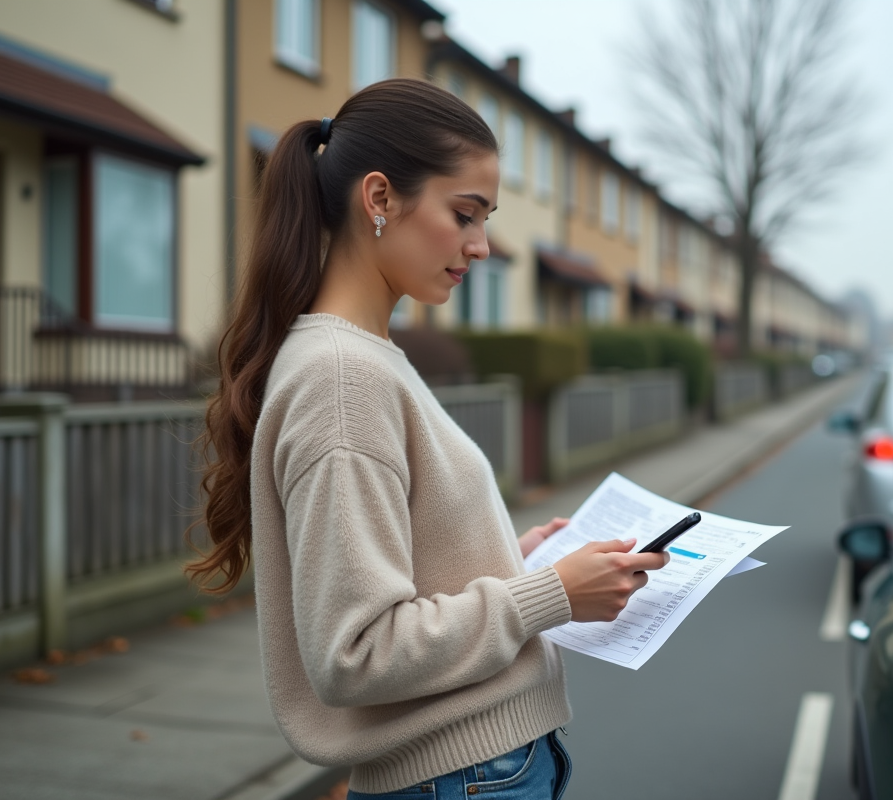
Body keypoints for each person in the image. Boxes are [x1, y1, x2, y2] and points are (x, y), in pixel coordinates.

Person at [187, 78, 670, 800]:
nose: (480, 247)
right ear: (379, 199)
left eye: (486, 219)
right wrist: (546, 597)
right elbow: (357, 652)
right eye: (465, 215)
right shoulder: (343, 380)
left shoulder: (363, 359)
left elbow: (400, 567)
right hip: (465, 778)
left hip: (478, 771)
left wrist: (513, 561)